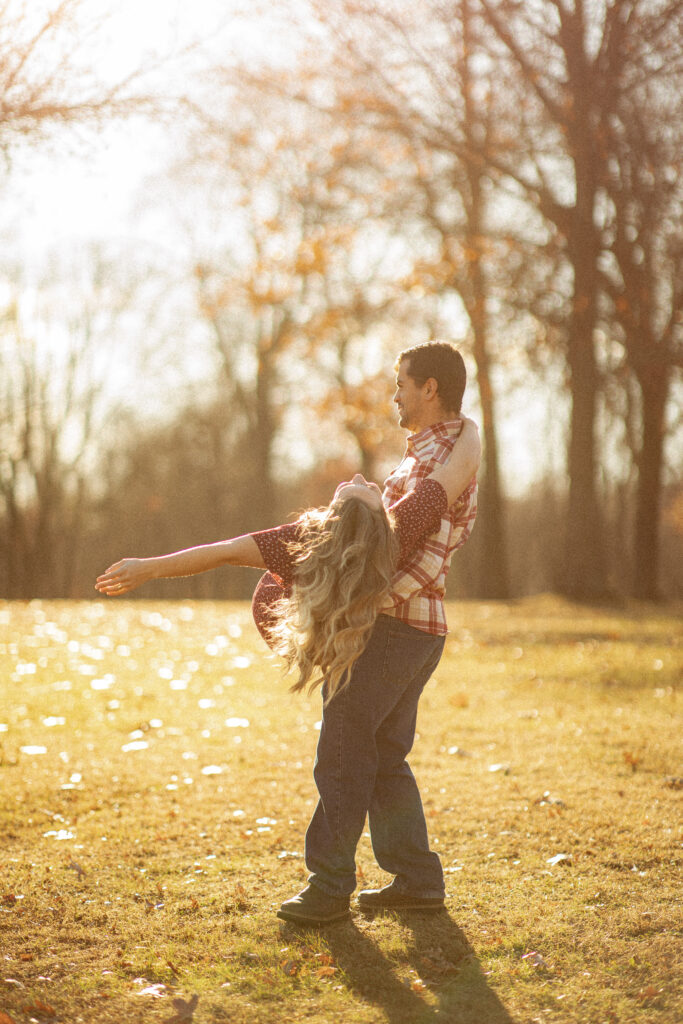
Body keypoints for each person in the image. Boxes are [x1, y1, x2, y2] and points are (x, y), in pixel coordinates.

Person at [95, 340, 479, 926]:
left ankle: (329, 888)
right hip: (420, 633)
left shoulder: (387, 519)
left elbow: (230, 551)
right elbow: (227, 551)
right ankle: (417, 878)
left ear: (430, 388)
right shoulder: (391, 500)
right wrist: (147, 567)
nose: (354, 477)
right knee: (382, 757)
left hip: (393, 635)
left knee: (344, 757)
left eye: (401, 382)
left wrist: (469, 432)